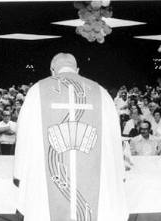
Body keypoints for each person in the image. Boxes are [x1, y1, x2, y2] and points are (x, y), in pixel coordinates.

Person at [14, 53, 128, 221]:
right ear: (78, 70)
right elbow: (113, 138)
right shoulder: (101, 92)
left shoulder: (36, 91)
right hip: (95, 172)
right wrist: (119, 171)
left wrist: (20, 172)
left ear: (52, 70)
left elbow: (23, 135)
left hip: (47, 175)